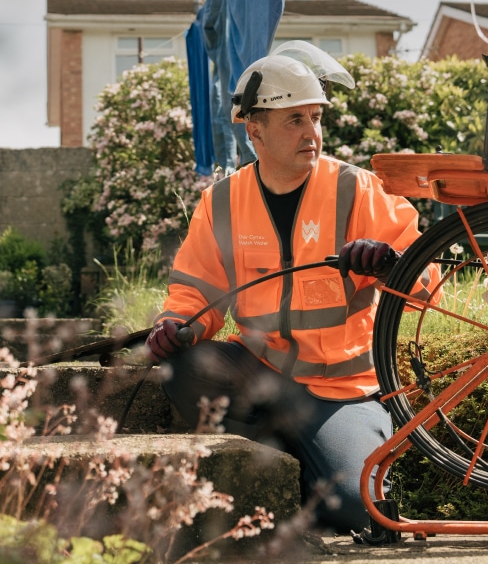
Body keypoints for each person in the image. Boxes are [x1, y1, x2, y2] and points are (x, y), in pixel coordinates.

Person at [146, 41, 439, 534]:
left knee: (356, 508)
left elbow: (427, 281)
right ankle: (269, 452)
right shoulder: (221, 202)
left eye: (315, 118)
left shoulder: (358, 189)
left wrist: (391, 266)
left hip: (343, 391)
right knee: (183, 368)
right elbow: (196, 288)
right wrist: (176, 326)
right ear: (254, 130)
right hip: (260, 368)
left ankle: (308, 459)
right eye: (295, 121)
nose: (312, 133)